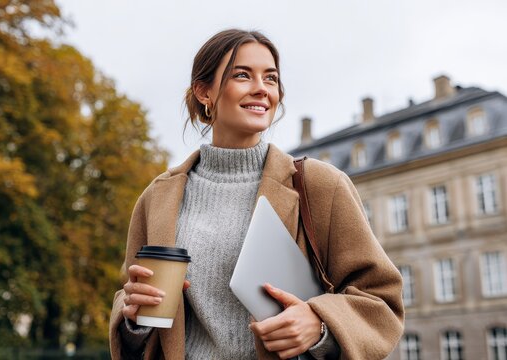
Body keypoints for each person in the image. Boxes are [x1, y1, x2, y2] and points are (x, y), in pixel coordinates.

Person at [109, 29, 404, 360]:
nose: (262, 89)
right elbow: (133, 311)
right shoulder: (158, 197)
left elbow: (381, 300)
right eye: (242, 75)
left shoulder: (321, 185)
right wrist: (134, 319)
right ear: (204, 92)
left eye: (271, 78)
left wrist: (320, 324)